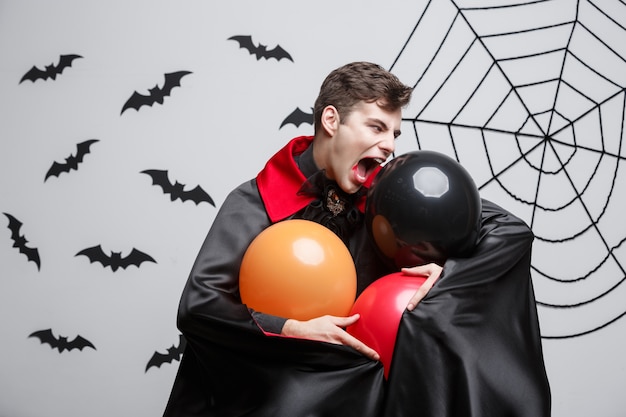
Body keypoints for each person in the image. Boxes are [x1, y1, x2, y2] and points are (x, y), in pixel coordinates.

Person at [163, 61, 551, 417]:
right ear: (331, 120)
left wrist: (452, 270)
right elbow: (199, 305)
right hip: (258, 396)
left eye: (395, 133)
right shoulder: (253, 202)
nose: (390, 146)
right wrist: (289, 328)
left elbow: (508, 229)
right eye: (376, 127)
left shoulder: (388, 201)